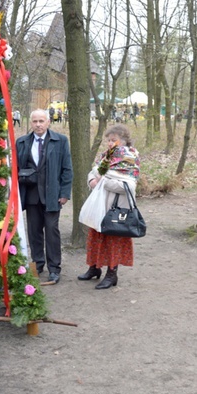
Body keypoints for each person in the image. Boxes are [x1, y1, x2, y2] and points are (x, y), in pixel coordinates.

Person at [78, 124, 140, 289]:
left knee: (113, 240)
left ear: (124, 141)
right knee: (95, 236)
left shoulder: (130, 158)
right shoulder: (107, 156)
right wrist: (92, 181)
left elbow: (128, 187)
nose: (110, 143)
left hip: (117, 208)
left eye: (114, 140)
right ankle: (94, 268)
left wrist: (102, 182)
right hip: (100, 205)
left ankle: (111, 275)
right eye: (109, 140)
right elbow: (94, 171)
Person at [16, 109, 73, 283]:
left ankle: (54, 268)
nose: (38, 124)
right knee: (34, 232)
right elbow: (17, 169)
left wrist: (64, 193)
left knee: (52, 232)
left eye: (41, 121)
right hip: (31, 196)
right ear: (30, 123)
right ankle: (38, 264)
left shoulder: (60, 141)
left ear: (48, 122)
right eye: (35, 121)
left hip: (52, 195)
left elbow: (67, 169)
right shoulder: (22, 142)